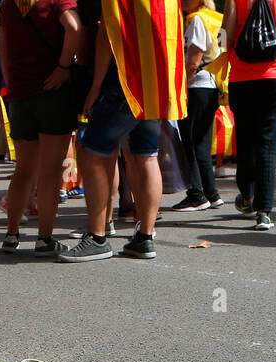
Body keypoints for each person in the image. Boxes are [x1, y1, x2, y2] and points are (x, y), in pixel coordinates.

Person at [56, 0, 182, 263]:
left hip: (124, 82)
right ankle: (145, 238)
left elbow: (106, 34)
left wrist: (95, 87)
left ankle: (97, 237)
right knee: (146, 155)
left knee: (92, 153)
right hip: (156, 83)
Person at [0, 0, 83, 256]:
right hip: (52, 90)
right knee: (49, 171)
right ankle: (44, 238)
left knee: (23, 170)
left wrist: (12, 83)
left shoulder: (8, 3)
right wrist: (64, 67)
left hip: (21, 92)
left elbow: (3, 46)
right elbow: (75, 27)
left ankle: (11, 235)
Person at [223, 0, 276, 231]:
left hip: (241, 77)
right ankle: (264, 212)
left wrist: (222, 49)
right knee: (268, 144)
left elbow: (225, 37)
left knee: (245, 139)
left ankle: (248, 197)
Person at [172, 0, 224, 212]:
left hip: (196, 86)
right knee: (201, 142)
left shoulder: (197, 20)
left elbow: (193, 60)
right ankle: (212, 193)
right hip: (213, 85)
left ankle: (196, 194)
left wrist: (179, 85)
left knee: (189, 142)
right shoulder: (218, 19)